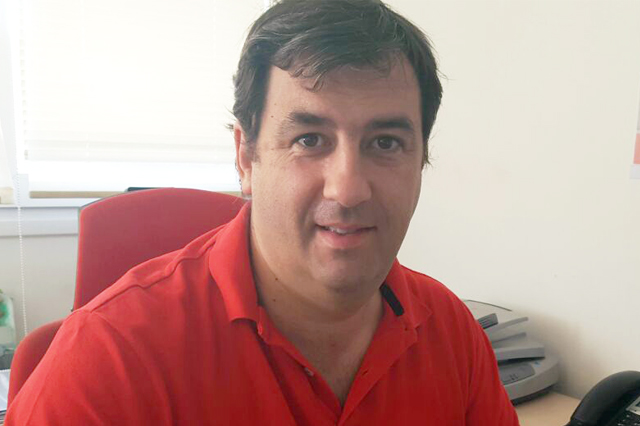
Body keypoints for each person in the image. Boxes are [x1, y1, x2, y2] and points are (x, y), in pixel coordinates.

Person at [5, 0, 519, 424]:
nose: (348, 190)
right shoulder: (109, 361)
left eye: (385, 142)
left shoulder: (452, 331)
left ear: (421, 160)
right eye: (309, 139)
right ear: (246, 158)